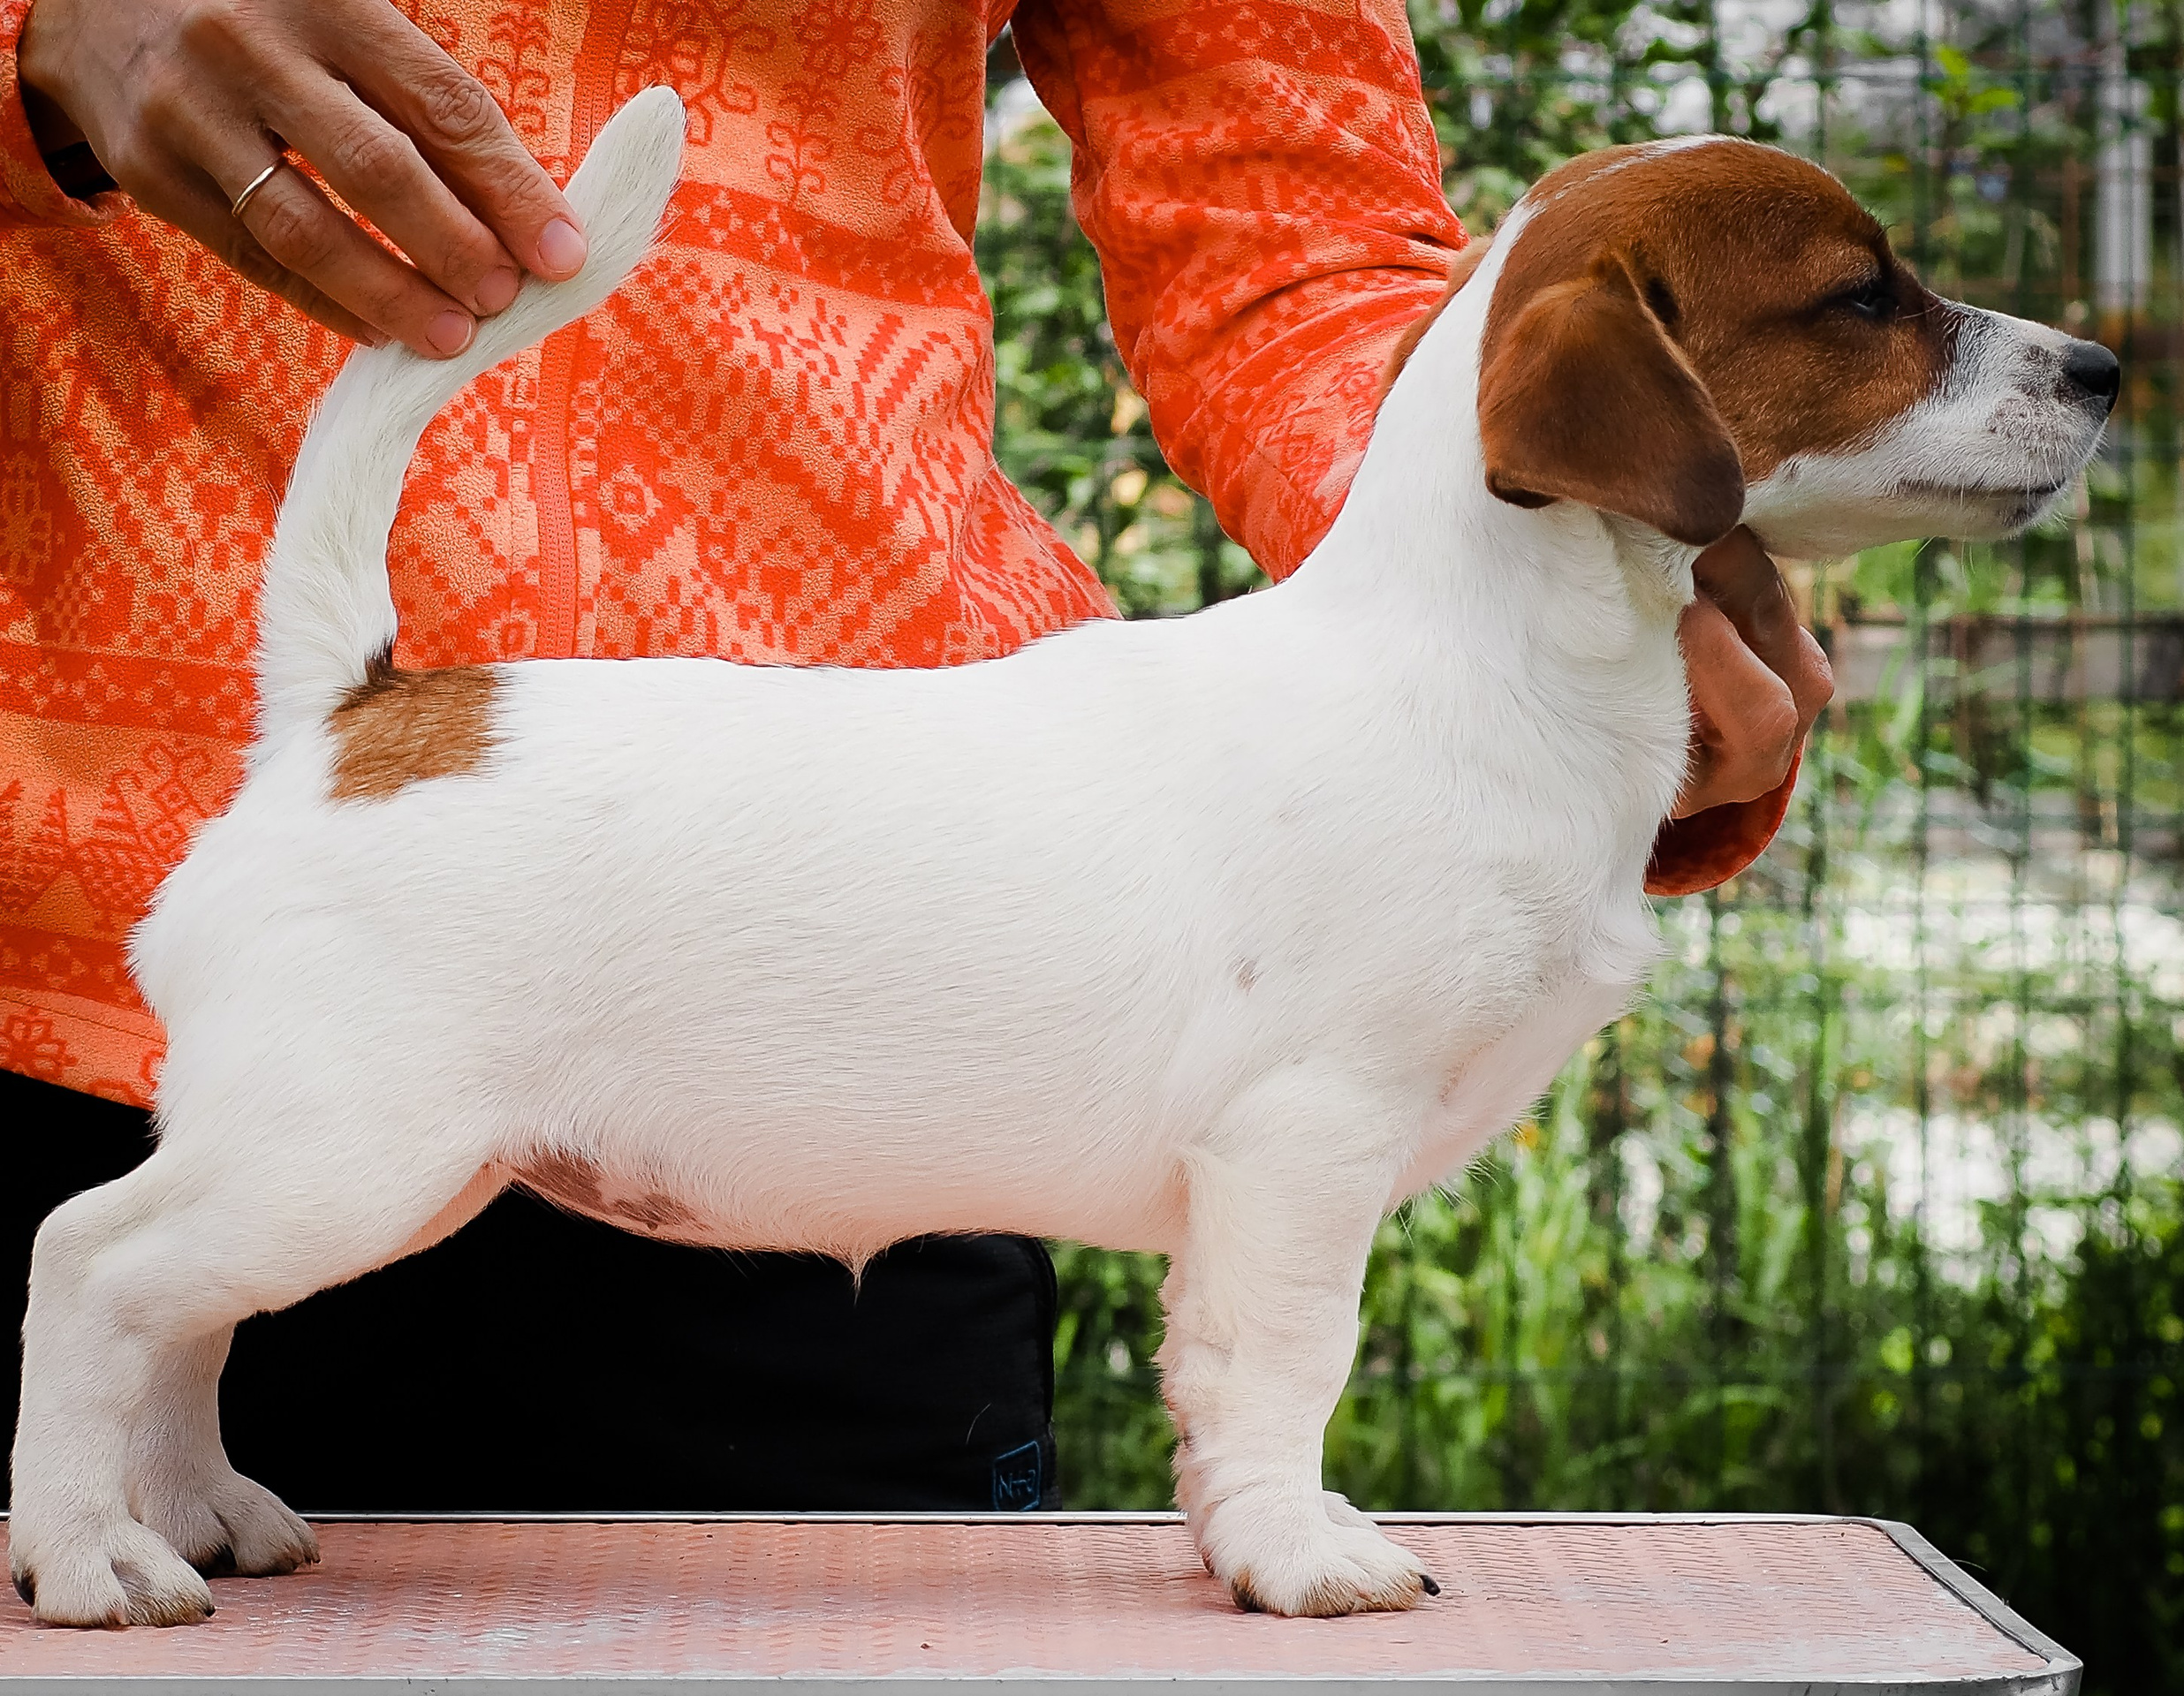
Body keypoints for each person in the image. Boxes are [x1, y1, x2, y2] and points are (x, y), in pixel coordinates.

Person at [0, 0, 1831, 1511]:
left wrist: (1542, 570)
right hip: (104, 905)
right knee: (207, 1254)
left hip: (919, 948)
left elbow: (1293, 222)